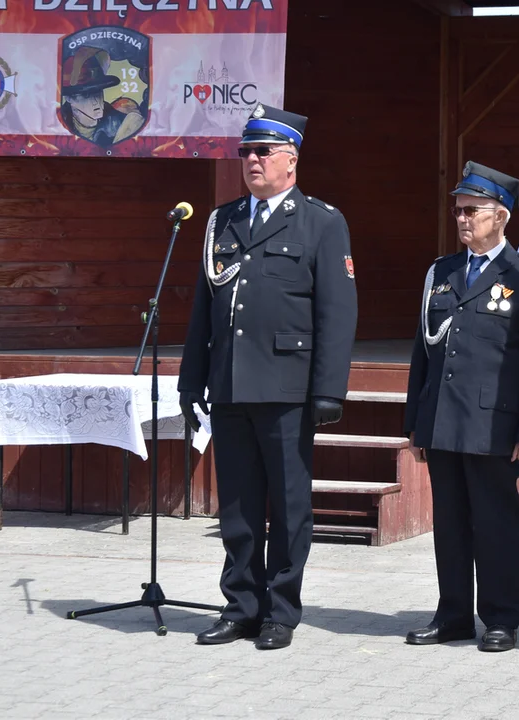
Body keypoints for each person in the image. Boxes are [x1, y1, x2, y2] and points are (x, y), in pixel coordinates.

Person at [178, 103, 357, 650]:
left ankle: (281, 610)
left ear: (291, 161)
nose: (251, 161)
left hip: (287, 386)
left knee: (288, 504)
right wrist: (192, 380)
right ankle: (241, 606)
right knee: (236, 506)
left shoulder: (322, 221)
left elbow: (337, 311)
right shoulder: (221, 220)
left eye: (262, 152)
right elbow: (203, 309)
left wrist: (328, 389)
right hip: (230, 384)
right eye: (245, 152)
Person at [404, 161, 519, 653]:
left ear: (502, 216)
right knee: (448, 524)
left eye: (472, 210)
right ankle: (452, 615)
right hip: (443, 420)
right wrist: (416, 424)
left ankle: (500, 617)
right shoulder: (442, 272)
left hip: (494, 424)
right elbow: (422, 355)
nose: (463, 219)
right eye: (458, 211)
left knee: (495, 524)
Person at [60, 47, 145, 148]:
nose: (96, 101)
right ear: (69, 98)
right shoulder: (59, 125)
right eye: (86, 95)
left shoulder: (124, 125)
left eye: (98, 92)